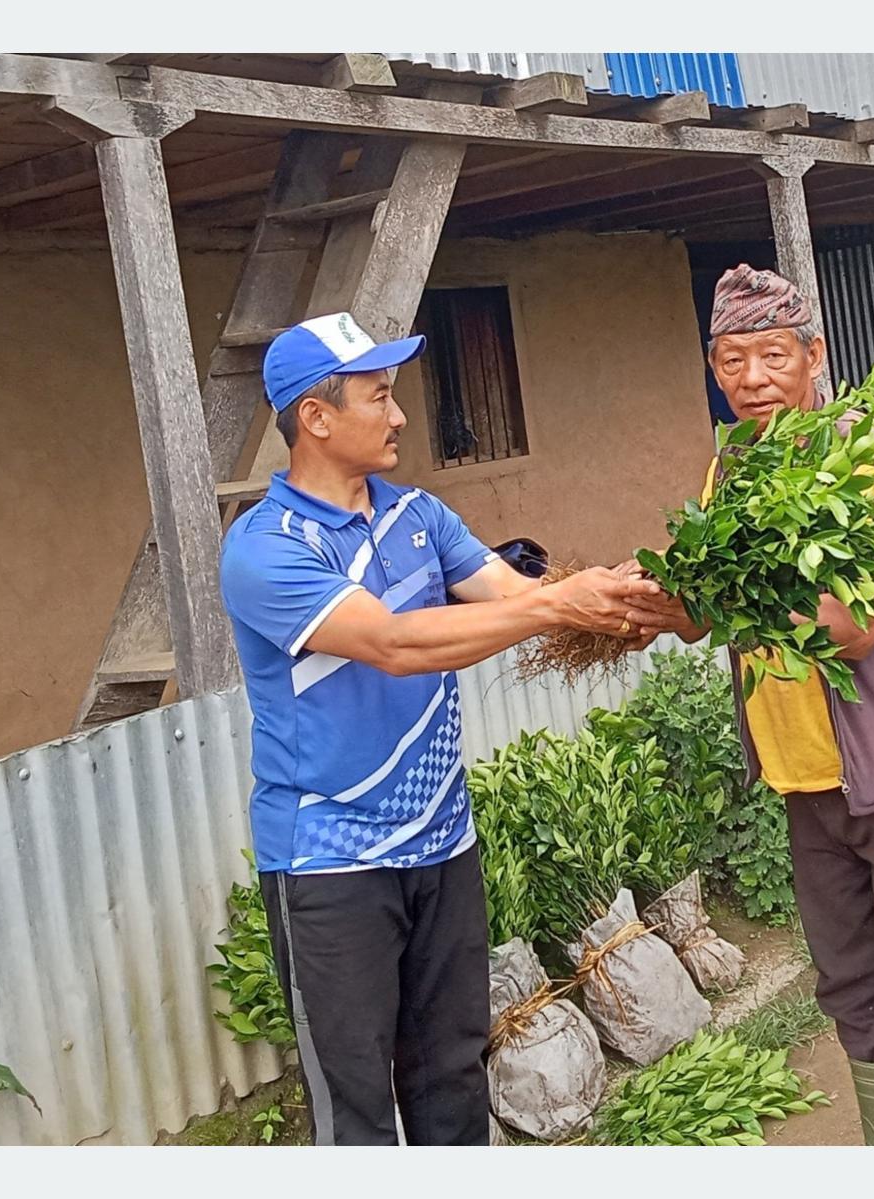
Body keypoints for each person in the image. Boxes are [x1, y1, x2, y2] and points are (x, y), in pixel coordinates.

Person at [219, 312, 660, 1144]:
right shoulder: (266, 548)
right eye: (379, 397)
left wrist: (641, 604)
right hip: (329, 863)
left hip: (442, 847)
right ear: (315, 417)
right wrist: (558, 602)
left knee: (451, 1072)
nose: (399, 416)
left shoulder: (418, 514)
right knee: (356, 1106)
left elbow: (510, 596)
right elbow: (390, 642)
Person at [623, 266, 874, 1146]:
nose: (751, 379)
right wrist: (639, 606)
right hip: (805, 776)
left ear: (815, 357)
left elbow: (848, 629)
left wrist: (705, 600)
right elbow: (709, 605)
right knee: (853, 989)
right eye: (731, 359)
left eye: (772, 355)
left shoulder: (869, 459)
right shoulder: (736, 466)